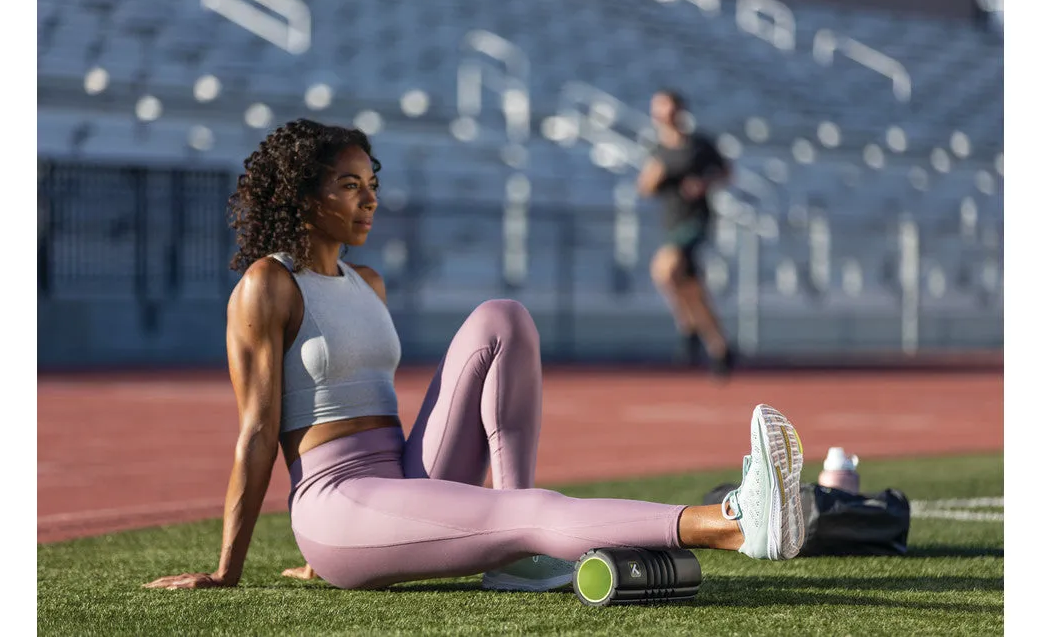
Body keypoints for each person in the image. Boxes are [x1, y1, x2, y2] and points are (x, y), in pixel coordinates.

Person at [144, 118, 806, 593]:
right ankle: (733, 524)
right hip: (336, 500)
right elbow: (259, 432)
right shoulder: (267, 283)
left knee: (503, 316)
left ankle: (516, 551)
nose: (369, 197)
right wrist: (228, 567)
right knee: (526, 515)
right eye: (349, 185)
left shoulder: (366, 281)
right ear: (304, 197)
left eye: (371, 182)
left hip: (403, 474)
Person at [637, 89, 735, 374]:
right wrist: (652, 180)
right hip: (671, 222)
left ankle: (687, 326)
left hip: (696, 221)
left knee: (664, 269)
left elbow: (726, 173)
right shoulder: (657, 150)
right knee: (692, 288)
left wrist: (704, 183)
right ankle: (719, 346)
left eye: (667, 108)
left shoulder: (699, 145)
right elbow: (644, 188)